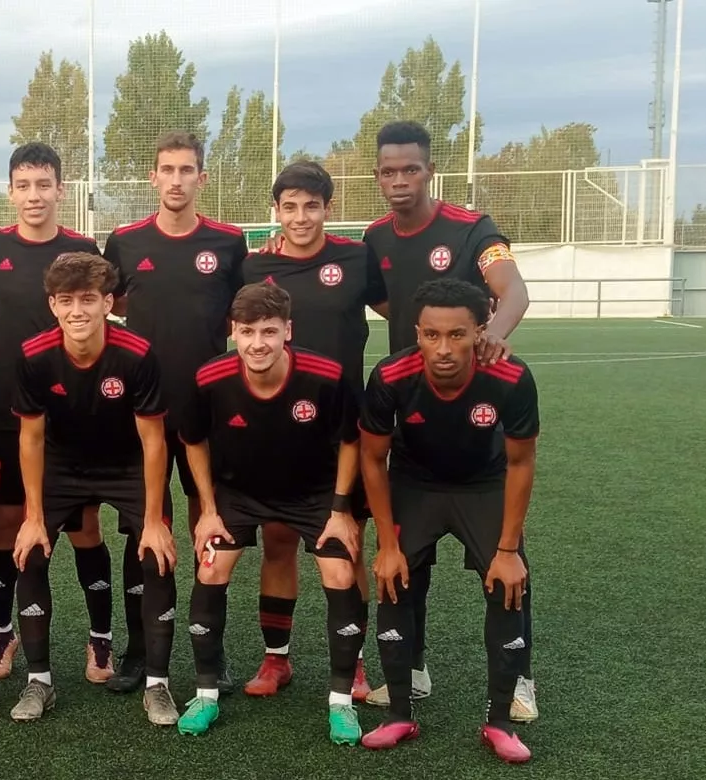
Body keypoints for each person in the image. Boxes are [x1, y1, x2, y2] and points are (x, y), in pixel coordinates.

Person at [360, 121, 536, 722]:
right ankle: (411, 668)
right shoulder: (375, 235)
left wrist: (488, 337)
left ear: (429, 170)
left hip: (474, 417)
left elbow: (513, 291)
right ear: (378, 175)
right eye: (388, 171)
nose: (399, 180)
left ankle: (519, 680)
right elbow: (385, 298)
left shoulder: (473, 228)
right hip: (412, 415)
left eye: (411, 169)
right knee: (410, 561)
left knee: (509, 563)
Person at [175, 283, 367, 745]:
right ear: (233, 333)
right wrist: (207, 510)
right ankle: (206, 694)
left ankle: (341, 703)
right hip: (240, 493)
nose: (257, 343)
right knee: (212, 564)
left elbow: (350, 441)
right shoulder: (209, 378)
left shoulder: (326, 375)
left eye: (268, 331)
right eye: (246, 332)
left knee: (341, 572)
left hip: (313, 493)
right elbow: (194, 441)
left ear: (288, 331)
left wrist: (340, 510)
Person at [358, 279, 538, 764]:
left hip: (484, 487)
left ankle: (499, 722)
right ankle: (398, 713)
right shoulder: (391, 376)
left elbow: (521, 464)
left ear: (481, 331)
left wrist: (507, 550)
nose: (443, 349)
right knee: (394, 580)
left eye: (457, 335)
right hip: (415, 486)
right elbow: (373, 461)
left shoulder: (510, 377)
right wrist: (387, 545)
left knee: (508, 584)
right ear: (416, 332)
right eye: (431, 335)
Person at [0, 142, 114, 683]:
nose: (33, 196)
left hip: (74, 413)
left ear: (60, 190)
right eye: (23, 186)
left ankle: (100, 640)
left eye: (43, 185)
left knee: (83, 527)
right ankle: (3, 634)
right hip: (5, 409)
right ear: (10, 192)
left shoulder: (83, 247)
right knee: (7, 526)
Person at [102, 130, 248, 694]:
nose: (177, 180)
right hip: (141, 414)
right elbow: (105, 305)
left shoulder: (229, 243)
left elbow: (246, 313)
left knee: (208, 530)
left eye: (187, 170)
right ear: (153, 177)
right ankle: (140, 653)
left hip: (209, 413)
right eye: (168, 169)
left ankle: (210, 655)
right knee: (144, 529)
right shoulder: (125, 241)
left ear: (201, 178)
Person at [9, 252, 179, 726]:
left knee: (156, 554)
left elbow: (152, 441)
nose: (77, 311)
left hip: (126, 462)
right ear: (52, 305)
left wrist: (152, 521)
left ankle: (158, 686)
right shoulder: (33, 355)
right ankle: (38, 682)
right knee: (31, 551)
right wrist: (34, 518)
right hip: (63, 463)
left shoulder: (137, 353)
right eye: (67, 301)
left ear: (108, 303)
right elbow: (31, 437)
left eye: (89, 299)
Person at [240, 161, 385, 700]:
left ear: (328, 208)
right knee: (278, 543)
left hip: (344, 427)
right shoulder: (254, 266)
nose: (301, 217)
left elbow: (404, 306)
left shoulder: (355, 257)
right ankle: (276, 659)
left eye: (312, 206)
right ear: (275, 211)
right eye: (290, 206)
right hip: (277, 428)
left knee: (346, 543)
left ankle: (357, 662)